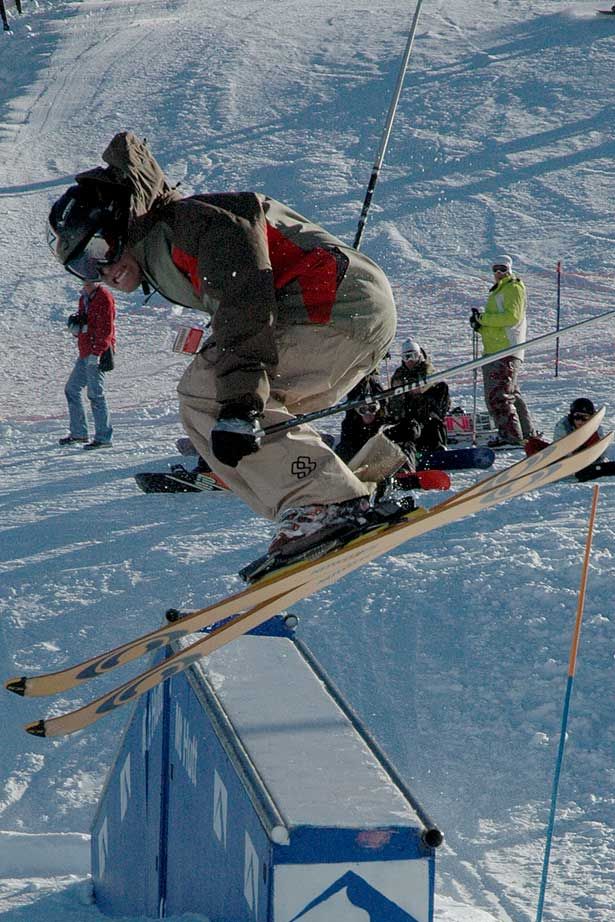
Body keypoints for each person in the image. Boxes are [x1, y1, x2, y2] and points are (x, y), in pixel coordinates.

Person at [47, 132, 397, 552]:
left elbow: (243, 301)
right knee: (227, 414)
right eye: (82, 267)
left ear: (120, 221)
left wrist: (237, 405)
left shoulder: (187, 226)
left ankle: (324, 503)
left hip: (329, 304)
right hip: (346, 311)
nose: (101, 272)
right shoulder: (164, 244)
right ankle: (346, 486)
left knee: (210, 394)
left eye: (98, 250)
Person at [470, 255, 536, 447]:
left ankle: (510, 436)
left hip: (504, 350)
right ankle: (526, 434)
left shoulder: (513, 287)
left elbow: (511, 317)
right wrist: (479, 325)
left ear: (509, 269)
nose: (499, 273)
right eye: (495, 270)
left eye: (503, 269)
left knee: (498, 396)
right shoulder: (499, 291)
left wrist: (483, 319)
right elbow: (497, 322)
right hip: (496, 349)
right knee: (510, 393)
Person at [59, 280, 116, 449]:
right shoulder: (84, 298)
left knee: (96, 394)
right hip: (85, 351)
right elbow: (88, 323)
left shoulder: (104, 297)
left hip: (97, 352)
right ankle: (79, 433)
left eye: (90, 280)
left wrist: (98, 352)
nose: (86, 283)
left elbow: (107, 328)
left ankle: (104, 437)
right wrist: (77, 328)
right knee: (71, 389)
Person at [388, 339, 449, 453]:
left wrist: (415, 388)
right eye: (407, 357)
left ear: (419, 355)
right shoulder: (399, 374)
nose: (410, 360)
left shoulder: (426, 367)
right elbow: (396, 395)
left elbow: (426, 381)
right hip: (410, 411)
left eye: (413, 356)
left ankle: (438, 447)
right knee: (408, 426)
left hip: (428, 409)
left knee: (434, 421)